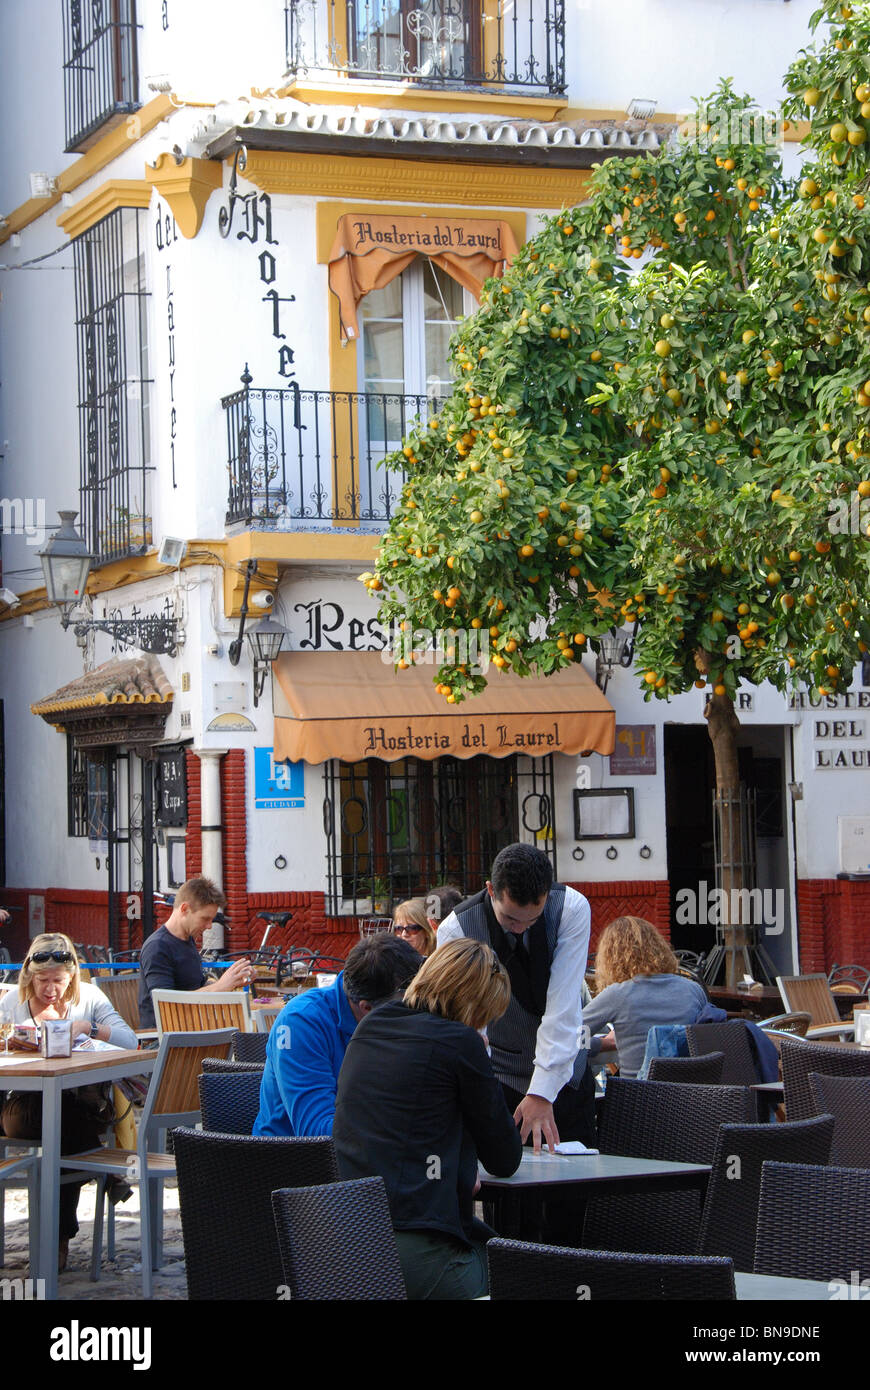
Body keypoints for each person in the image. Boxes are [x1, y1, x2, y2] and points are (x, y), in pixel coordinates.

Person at [333, 938, 522, 1300]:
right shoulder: (460, 1041)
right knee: (529, 1274)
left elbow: (406, 1123)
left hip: (351, 1243)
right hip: (416, 1249)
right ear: (475, 1007)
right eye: (485, 1017)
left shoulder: (371, 1025)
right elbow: (504, 1157)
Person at [437, 842, 593, 1154]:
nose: (521, 929)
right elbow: (466, 1027)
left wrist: (542, 1093)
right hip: (500, 1079)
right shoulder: (456, 929)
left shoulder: (572, 908)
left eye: (532, 920)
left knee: (573, 1192)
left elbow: (563, 1008)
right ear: (490, 891)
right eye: (510, 919)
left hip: (566, 1078)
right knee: (506, 1191)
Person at [0, 933, 138, 1269]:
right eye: (41, 981)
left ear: (72, 976)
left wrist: (88, 1028)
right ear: (28, 977)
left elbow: (129, 1039)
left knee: (65, 1122)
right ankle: (102, 1175)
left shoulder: (87, 998)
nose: (49, 990)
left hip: (76, 1102)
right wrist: (13, 1039)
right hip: (21, 1103)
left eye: (58, 981)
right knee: (67, 1125)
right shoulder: (11, 1002)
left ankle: (58, 1241)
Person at [253, 932, 423, 1138]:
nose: (414, 1011)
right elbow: (317, 1133)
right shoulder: (301, 1022)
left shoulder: (383, 1014)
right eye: (406, 1005)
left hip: (363, 1154)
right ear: (367, 1008)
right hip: (289, 1161)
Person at [583, 916, 710, 1079]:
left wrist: (605, 1043)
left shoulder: (618, 995)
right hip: (694, 1097)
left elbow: (568, 1037)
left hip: (637, 1098)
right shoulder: (694, 989)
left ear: (610, 958)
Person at [137, 876, 253, 1030]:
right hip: (163, 1038)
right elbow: (166, 1006)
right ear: (184, 909)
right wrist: (220, 986)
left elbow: (197, 985)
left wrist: (234, 981)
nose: (209, 926)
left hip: (193, 1029)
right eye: (205, 919)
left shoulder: (187, 940)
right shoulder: (157, 947)